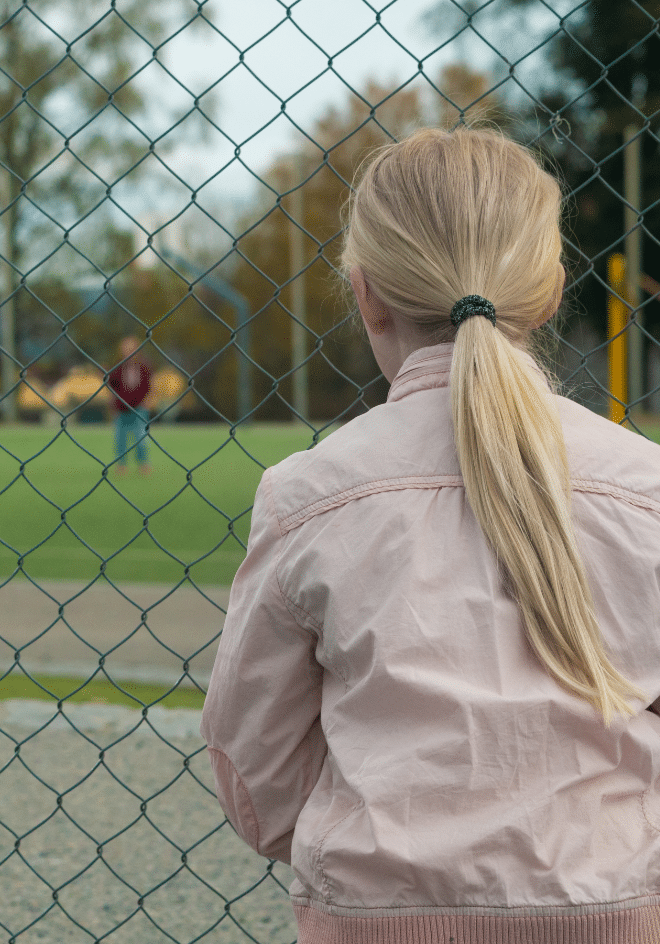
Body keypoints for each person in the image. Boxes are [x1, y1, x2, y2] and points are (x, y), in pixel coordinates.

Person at [200, 126, 660, 943]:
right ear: (551, 291)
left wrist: (383, 843)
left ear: (364, 291)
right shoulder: (644, 490)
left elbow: (254, 770)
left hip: (375, 918)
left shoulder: (308, 497)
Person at [107, 336, 152, 474]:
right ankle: (121, 464)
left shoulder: (144, 367)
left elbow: (150, 385)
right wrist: (112, 405)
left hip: (139, 408)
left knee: (141, 437)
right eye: (126, 349)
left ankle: (143, 464)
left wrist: (148, 401)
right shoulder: (117, 368)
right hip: (121, 408)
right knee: (120, 438)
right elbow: (111, 388)